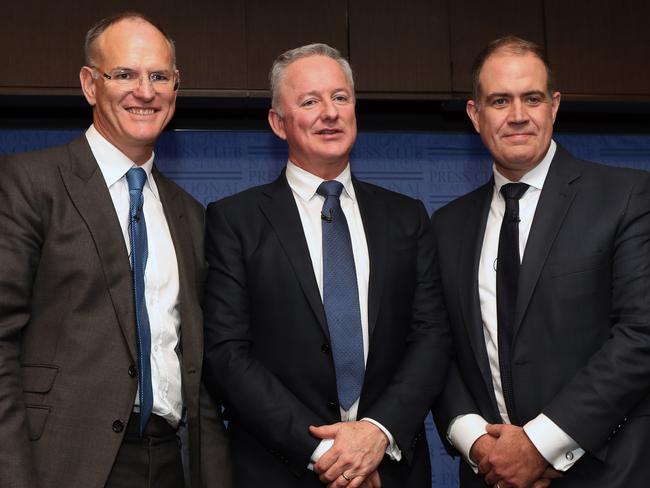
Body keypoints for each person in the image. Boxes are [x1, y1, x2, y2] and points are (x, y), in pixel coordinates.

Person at [202, 43, 450, 488]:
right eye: (310, 101)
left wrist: (377, 434)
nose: (330, 113)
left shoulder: (407, 216)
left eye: (340, 98)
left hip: (390, 467)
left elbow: (431, 337)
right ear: (278, 122)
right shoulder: (233, 220)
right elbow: (227, 353)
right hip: (280, 467)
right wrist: (327, 453)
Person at [0, 12, 231, 488]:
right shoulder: (28, 183)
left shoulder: (190, 212)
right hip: (62, 462)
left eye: (159, 76)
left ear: (175, 86)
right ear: (90, 84)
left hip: (171, 461)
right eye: (124, 74)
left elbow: (196, 362)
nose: (144, 92)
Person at [431, 36, 650, 488]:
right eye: (499, 100)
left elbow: (641, 335)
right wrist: (477, 442)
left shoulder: (627, 197)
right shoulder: (446, 225)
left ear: (554, 106)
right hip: (489, 475)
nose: (517, 116)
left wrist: (538, 444)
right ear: (475, 115)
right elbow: (437, 348)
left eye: (531, 98)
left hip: (606, 473)